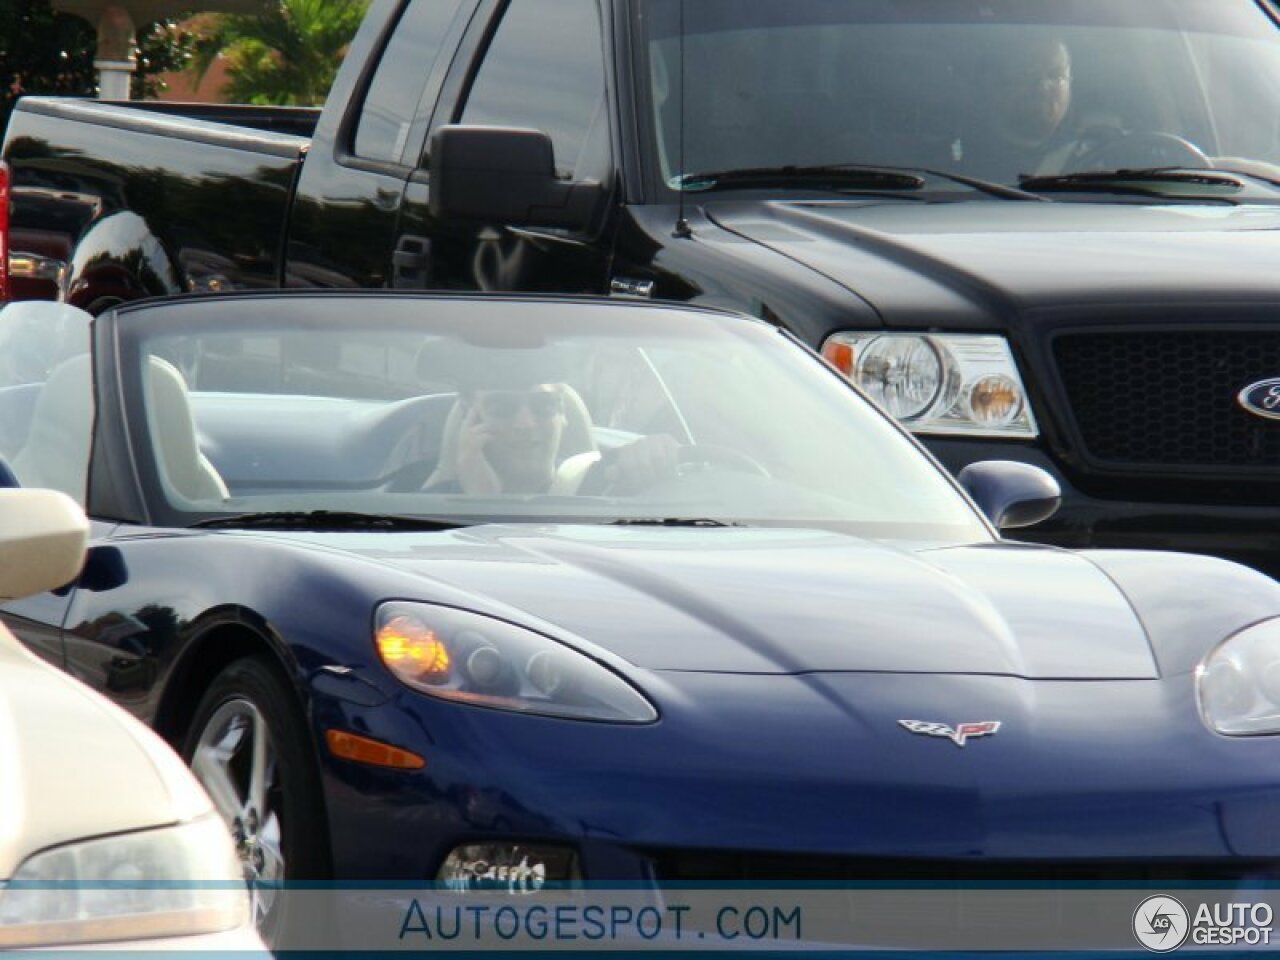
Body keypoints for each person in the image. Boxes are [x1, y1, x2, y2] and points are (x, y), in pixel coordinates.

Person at [430, 381, 681, 496]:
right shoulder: (419, 512)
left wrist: (660, 461)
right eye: (501, 407)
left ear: (563, 414)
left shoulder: (610, 486)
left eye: (544, 405)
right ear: (470, 418)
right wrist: (480, 500)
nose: (525, 424)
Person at [965, 36, 1081, 182]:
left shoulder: (1099, 157)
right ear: (994, 85)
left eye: (1055, 75)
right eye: (1027, 74)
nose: (1042, 87)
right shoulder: (956, 163)